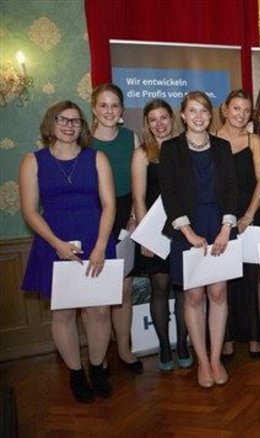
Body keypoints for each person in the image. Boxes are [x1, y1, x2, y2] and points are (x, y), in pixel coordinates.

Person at [20, 101, 116, 402]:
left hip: (95, 240)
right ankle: (76, 373)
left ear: (82, 126)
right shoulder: (33, 161)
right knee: (63, 313)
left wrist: (100, 245)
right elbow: (30, 211)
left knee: (99, 310)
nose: (68, 125)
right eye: (62, 119)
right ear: (51, 123)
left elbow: (109, 205)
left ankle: (97, 368)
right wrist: (57, 244)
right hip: (54, 244)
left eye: (75, 121)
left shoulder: (97, 158)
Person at [159, 91, 238, 389]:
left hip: (219, 226)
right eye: (192, 110)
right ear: (182, 115)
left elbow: (231, 189)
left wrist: (226, 227)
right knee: (193, 297)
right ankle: (202, 362)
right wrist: (188, 233)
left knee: (218, 294)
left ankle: (216, 359)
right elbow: (169, 194)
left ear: (210, 114)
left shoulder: (222, 147)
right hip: (186, 230)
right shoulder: (171, 149)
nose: (198, 116)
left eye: (203, 110)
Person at [131, 99, 191, 371]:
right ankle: (164, 347)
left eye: (163, 117)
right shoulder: (143, 153)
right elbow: (139, 198)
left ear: (172, 118)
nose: (159, 123)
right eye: (153, 119)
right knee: (159, 288)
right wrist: (146, 238)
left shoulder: (184, 148)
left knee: (183, 289)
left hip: (183, 230)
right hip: (154, 232)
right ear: (147, 124)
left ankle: (182, 344)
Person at [89, 83, 143, 373]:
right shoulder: (84, 141)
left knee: (123, 289)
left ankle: (124, 348)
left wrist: (134, 217)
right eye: (103, 105)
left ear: (121, 110)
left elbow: (138, 184)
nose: (109, 111)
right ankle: (99, 354)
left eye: (115, 105)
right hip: (93, 217)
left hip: (124, 218)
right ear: (94, 109)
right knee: (96, 295)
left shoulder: (130, 137)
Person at [216, 90, 260, 359]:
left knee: (251, 278)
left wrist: (249, 214)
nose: (241, 114)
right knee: (222, 279)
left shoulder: (254, 140)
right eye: (236, 108)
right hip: (220, 218)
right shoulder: (211, 140)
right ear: (225, 109)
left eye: (246, 110)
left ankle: (254, 336)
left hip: (251, 215)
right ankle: (226, 338)